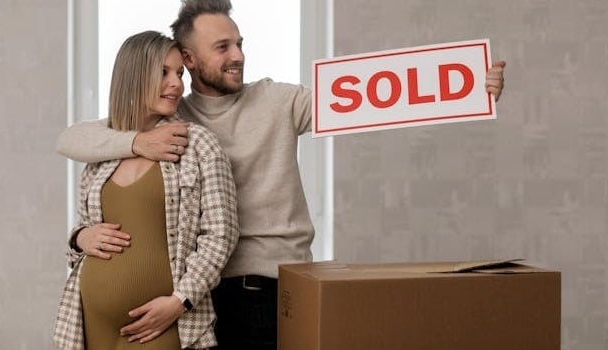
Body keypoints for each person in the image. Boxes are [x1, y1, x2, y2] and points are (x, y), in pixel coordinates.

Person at [56, 1, 506, 349]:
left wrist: (469, 85)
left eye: (239, 43)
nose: (238, 56)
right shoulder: (172, 116)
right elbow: (75, 139)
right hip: (206, 294)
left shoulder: (278, 101)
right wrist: (138, 143)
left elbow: (379, 100)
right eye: (222, 48)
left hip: (266, 285)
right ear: (189, 60)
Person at [52, 30, 238, 350]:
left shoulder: (197, 144)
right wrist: (80, 236)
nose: (177, 83)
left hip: (164, 322)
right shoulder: (102, 152)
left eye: (179, 73)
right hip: (91, 324)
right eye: (164, 72)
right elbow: (83, 232)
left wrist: (181, 301)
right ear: (134, 76)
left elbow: (222, 234)